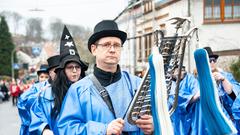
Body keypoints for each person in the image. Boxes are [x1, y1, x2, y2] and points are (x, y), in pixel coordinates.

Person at [57, 20, 154, 135]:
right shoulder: (78, 90)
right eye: (107, 44)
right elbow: (66, 129)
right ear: (94, 49)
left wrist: (154, 125)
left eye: (117, 45)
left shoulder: (139, 84)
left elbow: (167, 117)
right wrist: (104, 129)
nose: (112, 50)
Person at [29, 25, 88, 135]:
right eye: (70, 67)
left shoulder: (88, 91)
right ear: (63, 70)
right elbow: (37, 115)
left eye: (78, 67)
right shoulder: (47, 94)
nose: (75, 71)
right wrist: (44, 129)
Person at [17, 58, 60, 135]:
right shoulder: (35, 87)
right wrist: (39, 95)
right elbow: (22, 101)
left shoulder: (54, 87)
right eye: (42, 77)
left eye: (46, 77)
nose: (44, 79)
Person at [168, 66, 200, 135]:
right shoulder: (168, 83)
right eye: (176, 71)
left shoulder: (190, 79)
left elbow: (197, 92)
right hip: (175, 121)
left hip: (191, 118)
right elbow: (175, 98)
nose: (180, 73)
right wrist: (192, 98)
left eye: (182, 70)